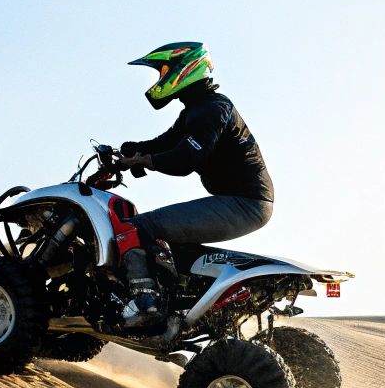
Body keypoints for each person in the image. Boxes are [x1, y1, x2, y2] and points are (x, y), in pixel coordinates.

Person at [112, 42, 274, 327]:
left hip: (244, 204)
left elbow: (185, 158)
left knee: (138, 227)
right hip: (245, 202)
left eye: (162, 71)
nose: (159, 80)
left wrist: (146, 160)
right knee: (168, 243)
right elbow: (167, 142)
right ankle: (174, 300)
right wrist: (133, 151)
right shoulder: (196, 109)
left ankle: (144, 303)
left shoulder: (213, 108)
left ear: (183, 69)